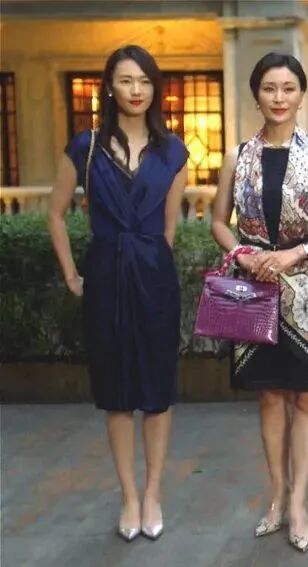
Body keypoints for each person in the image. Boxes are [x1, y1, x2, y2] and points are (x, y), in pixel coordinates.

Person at [209, 52, 308, 553]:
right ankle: (276, 495)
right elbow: (218, 221)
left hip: (306, 289)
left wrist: (298, 251)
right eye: (270, 88)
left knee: (307, 398)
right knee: (269, 396)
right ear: (256, 94)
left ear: (301, 94)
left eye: (288, 88)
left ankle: (299, 504)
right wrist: (243, 254)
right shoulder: (237, 156)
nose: (279, 97)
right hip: (253, 288)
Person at [46, 45, 188, 542]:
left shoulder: (174, 151)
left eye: (144, 81)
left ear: (155, 88)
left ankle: (153, 493)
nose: (136, 90)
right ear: (109, 86)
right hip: (105, 277)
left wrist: (151, 267)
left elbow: (169, 230)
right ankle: (128, 496)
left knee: (158, 393)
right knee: (116, 394)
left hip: (155, 279)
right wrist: (73, 276)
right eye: (126, 80)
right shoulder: (84, 148)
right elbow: (55, 214)